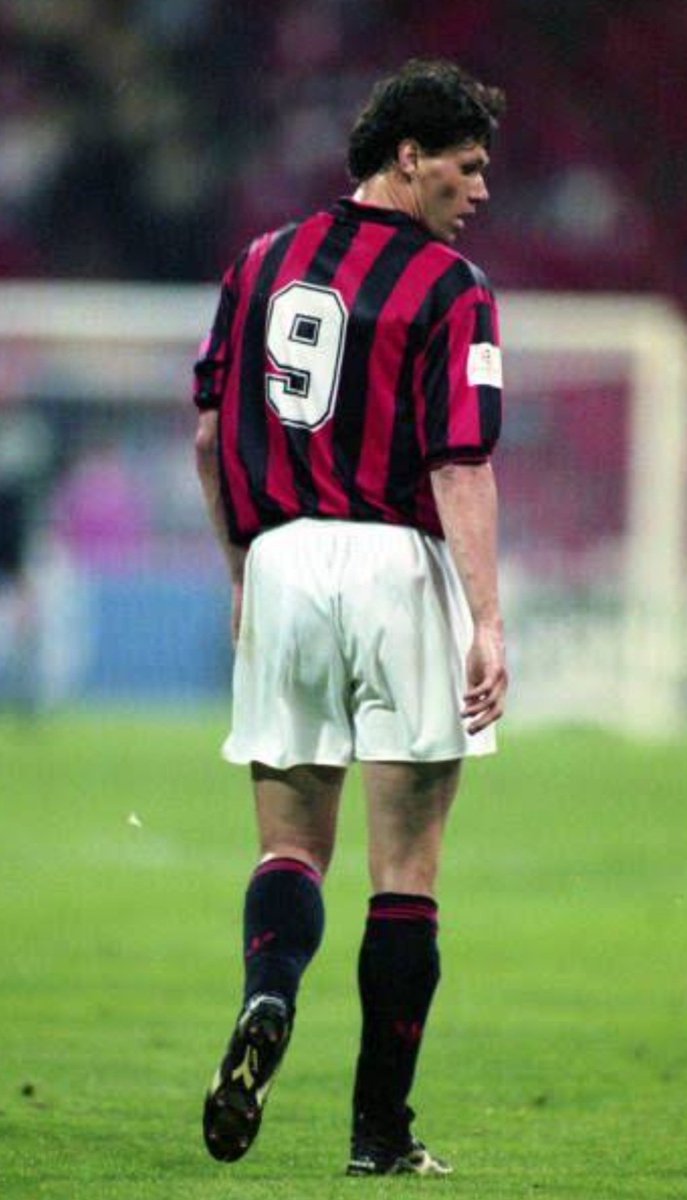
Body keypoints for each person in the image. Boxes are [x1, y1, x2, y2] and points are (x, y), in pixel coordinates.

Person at [193, 58, 508, 1177]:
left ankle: (268, 997)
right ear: (409, 155)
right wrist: (489, 620)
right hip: (394, 558)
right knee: (407, 866)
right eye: (466, 169)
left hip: (279, 557)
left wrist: (243, 569)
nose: (478, 193)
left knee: (290, 845)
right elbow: (460, 460)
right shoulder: (452, 284)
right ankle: (380, 1137)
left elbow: (204, 438)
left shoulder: (259, 263)